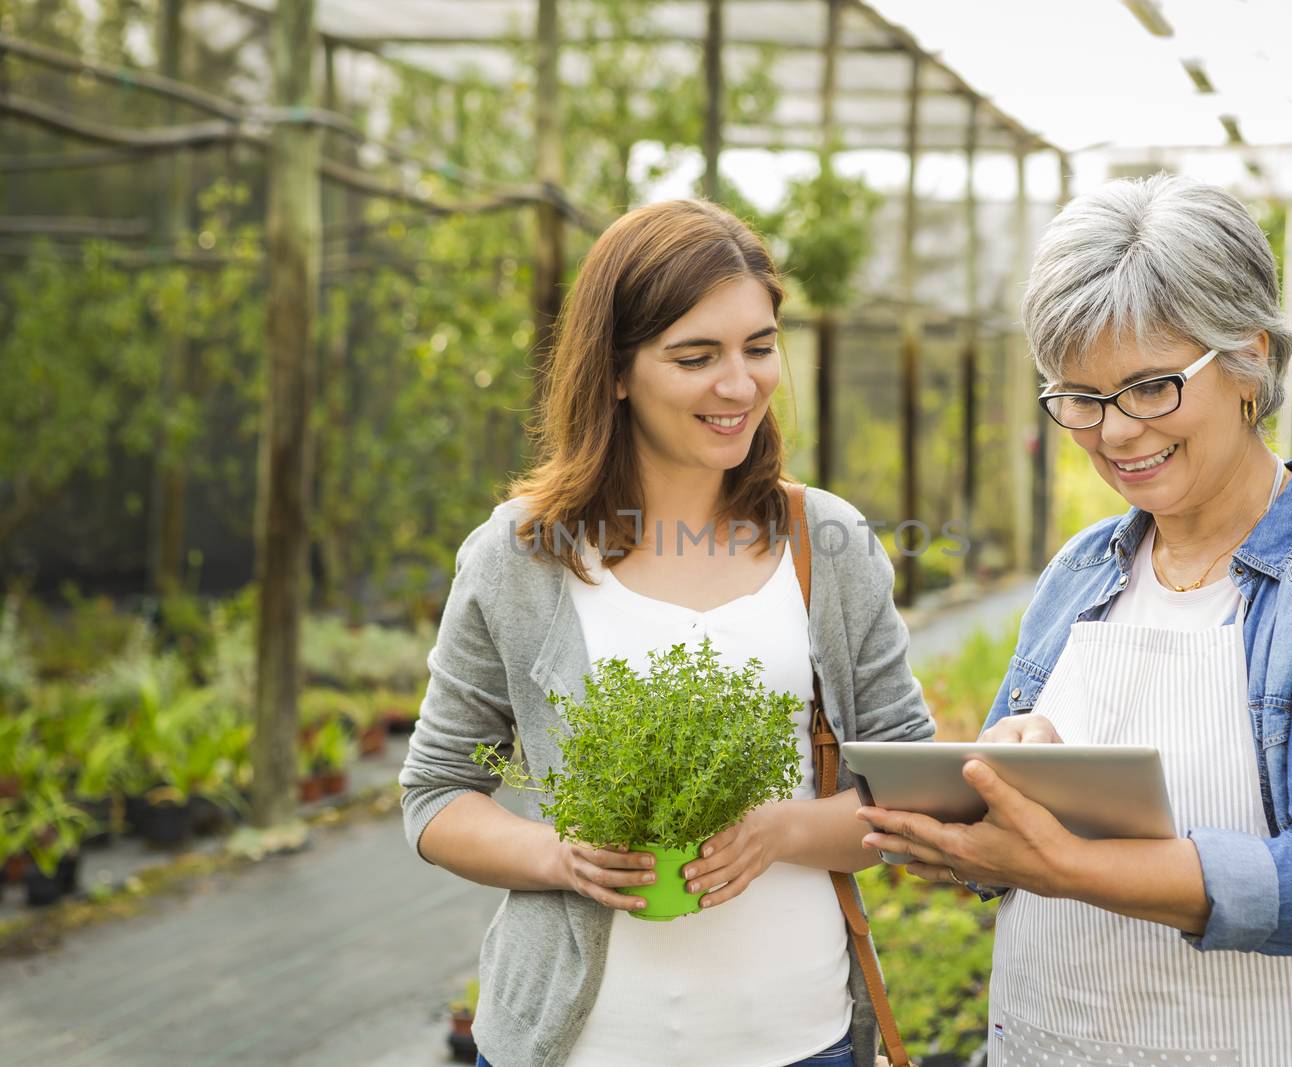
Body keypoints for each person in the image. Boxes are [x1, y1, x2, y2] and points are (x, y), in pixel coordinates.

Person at [857, 174, 1292, 1067]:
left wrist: (1064, 865)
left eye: (1150, 387)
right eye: (1079, 399)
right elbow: (1009, 840)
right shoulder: (1084, 571)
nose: (1115, 432)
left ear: (1247, 359)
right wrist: (978, 818)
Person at [399, 198, 932, 1067]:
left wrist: (781, 830)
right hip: (578, 1046)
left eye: (759, 347)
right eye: (696, 356)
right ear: (614, 371)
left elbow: (913, 794)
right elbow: (433, 794)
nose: (740, 384)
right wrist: (559, 856)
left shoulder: (826, 543)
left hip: (797, 1040)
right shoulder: (521, 556)